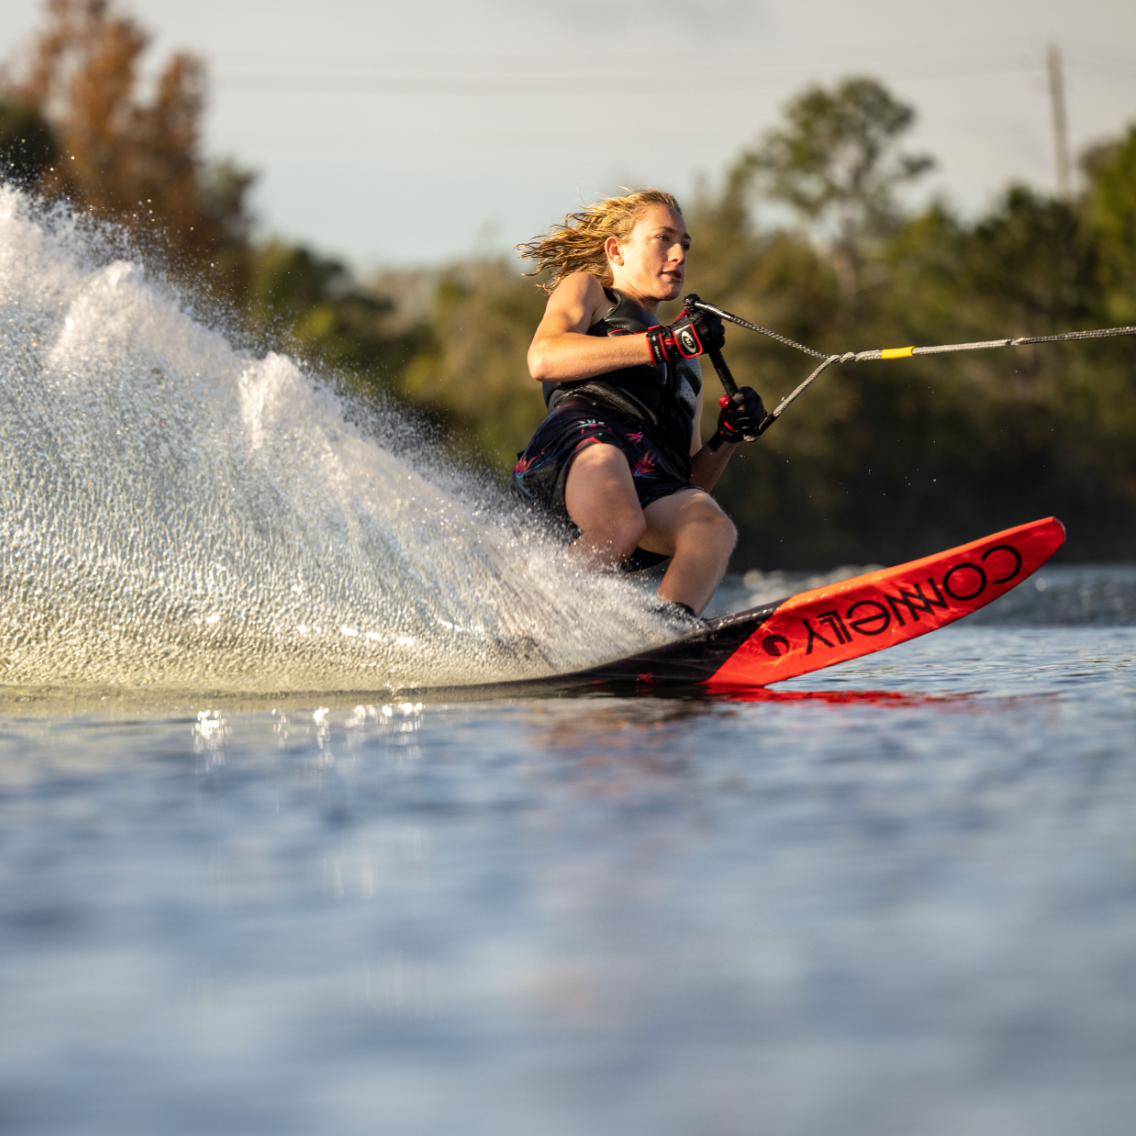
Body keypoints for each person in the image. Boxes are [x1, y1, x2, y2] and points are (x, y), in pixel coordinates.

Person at [510, 188, 766, 617]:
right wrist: (663, 341)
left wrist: (728, 436)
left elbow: (685, 482)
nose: (679, 254)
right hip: (578, 449)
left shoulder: (689, 366)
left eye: (684, 244)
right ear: (617, 249)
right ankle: (523, 623)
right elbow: (543, 357)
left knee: (710, 526)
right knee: (620, 524)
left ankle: (666, 634)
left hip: (644, 479)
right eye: (663, 239)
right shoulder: (592, 294)